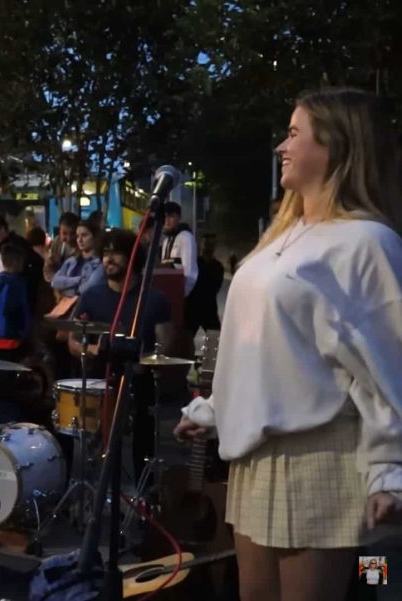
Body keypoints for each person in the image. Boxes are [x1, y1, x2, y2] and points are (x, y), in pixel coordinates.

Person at [175, 88, 402, 601]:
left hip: (323, 456)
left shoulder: (367, 243)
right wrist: (216, 409)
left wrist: (390, 469)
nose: (281, 145)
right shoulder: (283, 236)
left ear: (337, 146)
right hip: (254, 459)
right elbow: (261, 349)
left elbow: (388, 366)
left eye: (295, 133)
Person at [69, 228, 172, 480]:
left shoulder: (154, 298)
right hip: (100, 383)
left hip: (139, 382)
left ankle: (143, 497)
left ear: (133, 257)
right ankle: (97, 495)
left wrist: (149, 360)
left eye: (116, 254)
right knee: (98, 449)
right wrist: (93, 349)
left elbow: (166, 347)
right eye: (105, 253)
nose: (108, 259)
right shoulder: (91, 296)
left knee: (143, 446)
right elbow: (72, 340)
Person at [0, 243, 33, 364]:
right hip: (11, 335)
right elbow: (18, 309)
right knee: (12, 369)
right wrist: (25, 331)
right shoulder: (17, 283)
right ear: (16, 262)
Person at [0, 213, 44, 308]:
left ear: (2, 228)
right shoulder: (7, 245)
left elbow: (35, 262)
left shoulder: (15, 244)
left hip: (16, 293)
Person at [185, 235, 224, 336]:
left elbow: (216, 288)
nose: (207, 246)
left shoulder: (218, 267)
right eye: (205, 244)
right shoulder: (193, 263)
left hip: (208, 308)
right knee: (186, 342)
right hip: (192, 308)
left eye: (210, 244)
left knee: (214, 340)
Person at [51, 220, 102, 298]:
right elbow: (55, 281)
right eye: (77, 236)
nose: (80, 240)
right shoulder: (71, 261)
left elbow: (86, 289)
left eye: (84, 235)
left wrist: (65, 289)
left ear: (94, 237)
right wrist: (78, 280)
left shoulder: (99, 264)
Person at [160, 201, 199, 297]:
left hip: (179, 296)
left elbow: (190, 273)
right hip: (166, 294)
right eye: (164, 216)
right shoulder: (166, 241)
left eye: (171, 216)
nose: (166, 220)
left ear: (179, 217)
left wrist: (181, 295)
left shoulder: (186, 238)